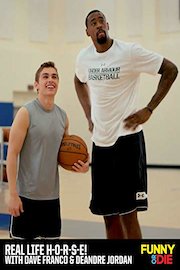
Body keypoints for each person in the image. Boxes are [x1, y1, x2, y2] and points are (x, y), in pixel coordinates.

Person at [74, 10, 178, 239]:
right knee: (109, 216)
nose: (99, 24)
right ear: (88, 32)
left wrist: (149, 108)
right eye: (93, 22)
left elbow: (171, 69)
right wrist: (89, 114)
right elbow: (78, 80)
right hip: (100, 143)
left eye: (101, 20)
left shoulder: (129, 52)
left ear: (108, 25)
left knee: (129, 214)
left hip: (128, 141)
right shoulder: (84, 58)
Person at [7, 61, 89, 239]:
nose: (50, 80)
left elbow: (61, 156)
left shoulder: (63, 117)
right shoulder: (25, 113)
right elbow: (12, 154)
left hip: (51, 200)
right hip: (25, 198)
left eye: (54, 76)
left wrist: (80, 166)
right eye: (45, 76)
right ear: (36, 84)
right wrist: (12, 194)